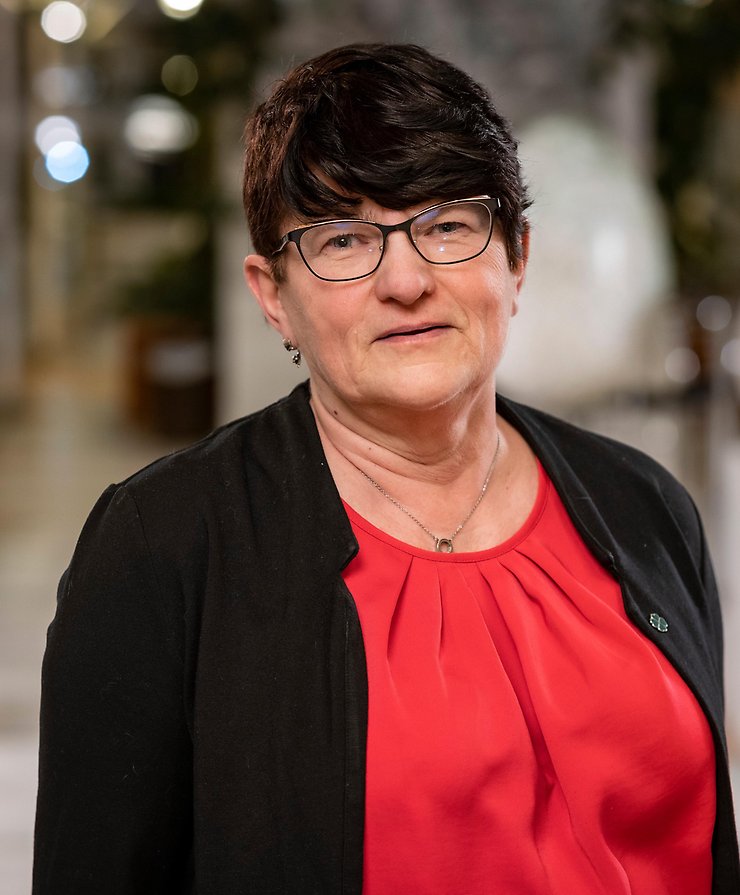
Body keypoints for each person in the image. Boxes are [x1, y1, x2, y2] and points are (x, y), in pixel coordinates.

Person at [33, 43, 739, 895]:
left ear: (516, 256)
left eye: (447, 226)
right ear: (273, 295)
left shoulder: (645, 504)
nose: (405, 280)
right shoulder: (163, 548)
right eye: (343, 238)